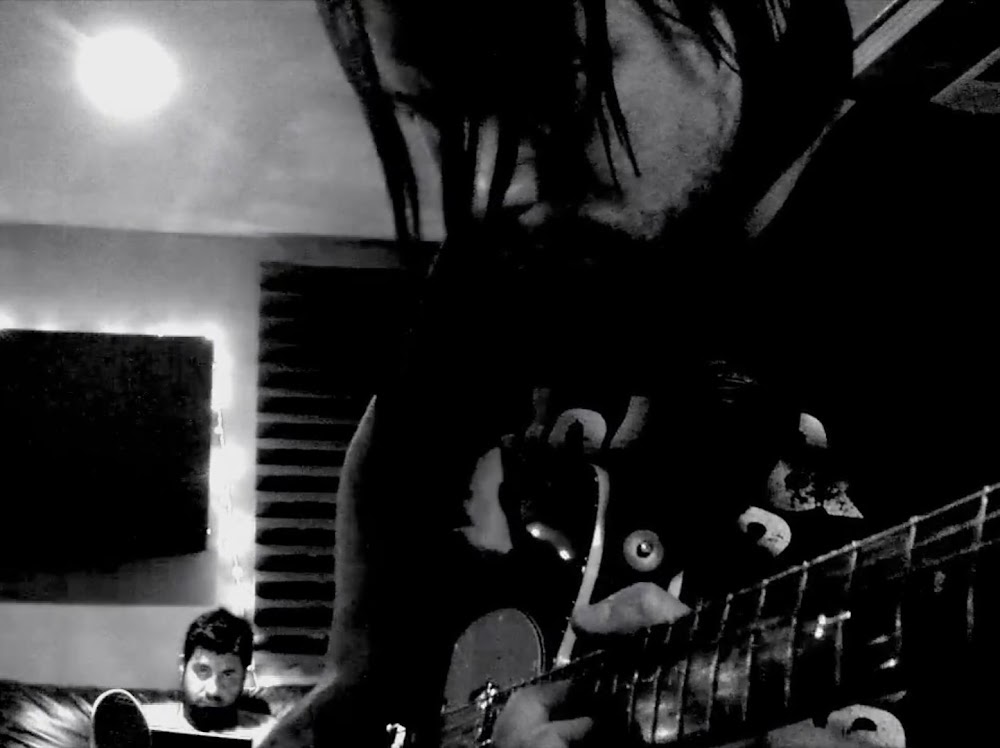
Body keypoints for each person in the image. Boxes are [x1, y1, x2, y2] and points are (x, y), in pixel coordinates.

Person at [257, 0, 948, 746]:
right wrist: (354, 671)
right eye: (440, 112)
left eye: (551, 84)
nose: (492, 184)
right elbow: (393, 438)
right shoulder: (495, 269)